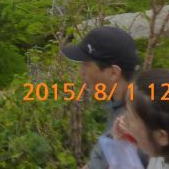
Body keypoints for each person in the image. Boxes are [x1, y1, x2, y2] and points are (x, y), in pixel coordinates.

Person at [62, 26, 148, 169]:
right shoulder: (120, 103)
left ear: (114, 73)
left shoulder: (136, 121)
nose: (81, 73)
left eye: (86, 65)